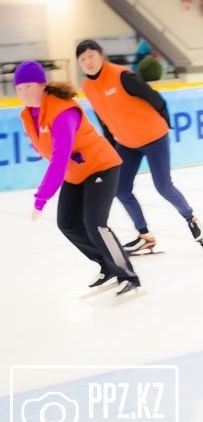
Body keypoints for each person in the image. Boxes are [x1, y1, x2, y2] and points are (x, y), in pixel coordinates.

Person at [14, 60, 141, 295]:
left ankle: (128, 275)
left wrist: (41, 198)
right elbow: (46, 145)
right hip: (76, 173)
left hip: (101, 167)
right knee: (68, 223)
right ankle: (107, 266)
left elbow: (59, 159)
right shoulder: (28, 115)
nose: (23, 93)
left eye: (28, 86)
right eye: (19, 88)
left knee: (96, 224)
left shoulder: (63, 111)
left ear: (42, 84)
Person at [75, 39, 203, 255]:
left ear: (101, 55)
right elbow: (102, 117)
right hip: (127, 143)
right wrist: (112, 144)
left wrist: (165, 120)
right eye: (82, 59)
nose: (88, 62)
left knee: (163, 186)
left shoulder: (121, 76)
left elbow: (153, 97)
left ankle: (190, 217)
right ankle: (144, 236)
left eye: (91, 56)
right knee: (120, 188)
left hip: (154, 136)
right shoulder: (87, 87)